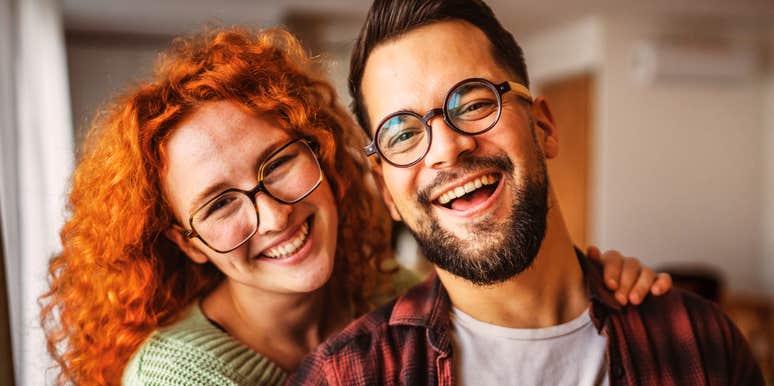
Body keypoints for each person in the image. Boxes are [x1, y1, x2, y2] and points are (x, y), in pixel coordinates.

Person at [39, 27, 670, 386]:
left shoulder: (386, 289)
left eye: (277, 164)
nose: (274, 214)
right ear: (189, 241)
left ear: (324, 156)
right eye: (221, 203)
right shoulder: (180, 378)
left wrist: (600, 279)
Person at [289, 0, 765, 385]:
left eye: (474, 102)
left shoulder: (700, 342)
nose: (448, 150)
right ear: (385, 191)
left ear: (543, 127)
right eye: (403, 134)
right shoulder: (344, 376)